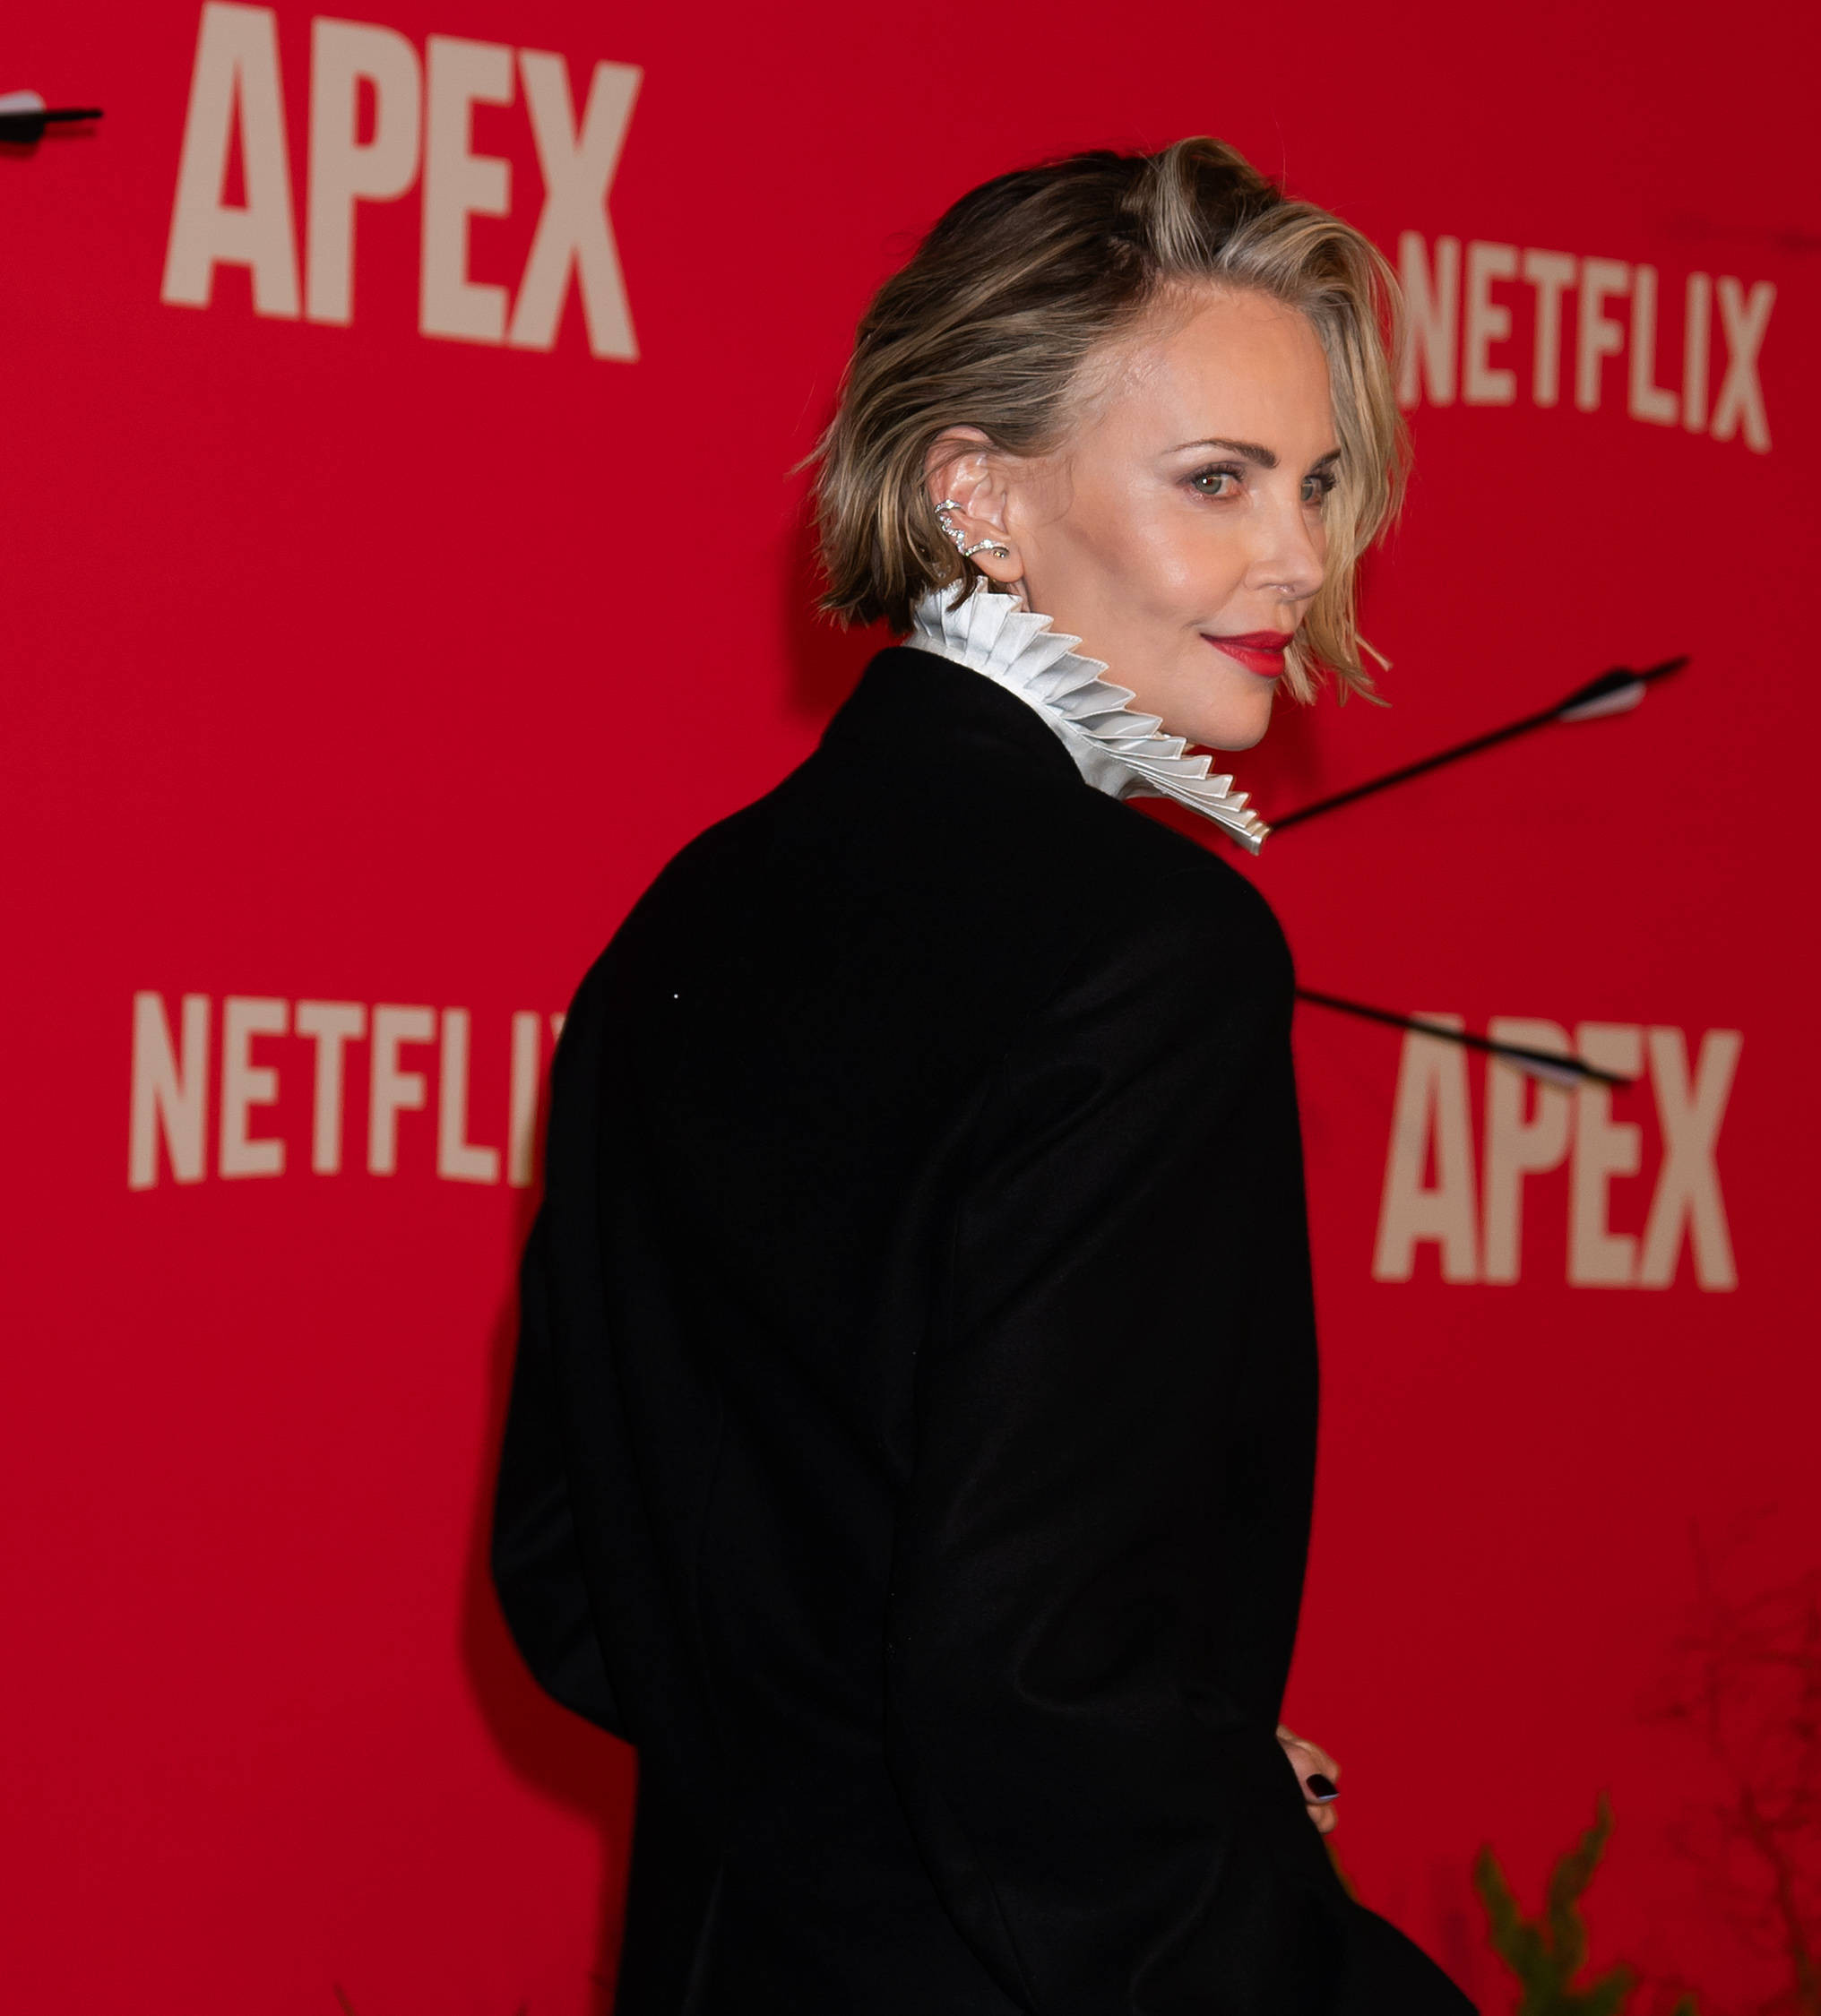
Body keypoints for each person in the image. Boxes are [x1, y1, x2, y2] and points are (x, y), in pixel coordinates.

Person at [489, 137, 1473, 2015]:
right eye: (1218, 480)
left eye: (1320, 481)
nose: (1300, 557)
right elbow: (1042, 1699)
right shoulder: (1149, 953)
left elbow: (577, 1574)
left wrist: (1097, 1775)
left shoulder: (691, 914)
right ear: (977, 495)